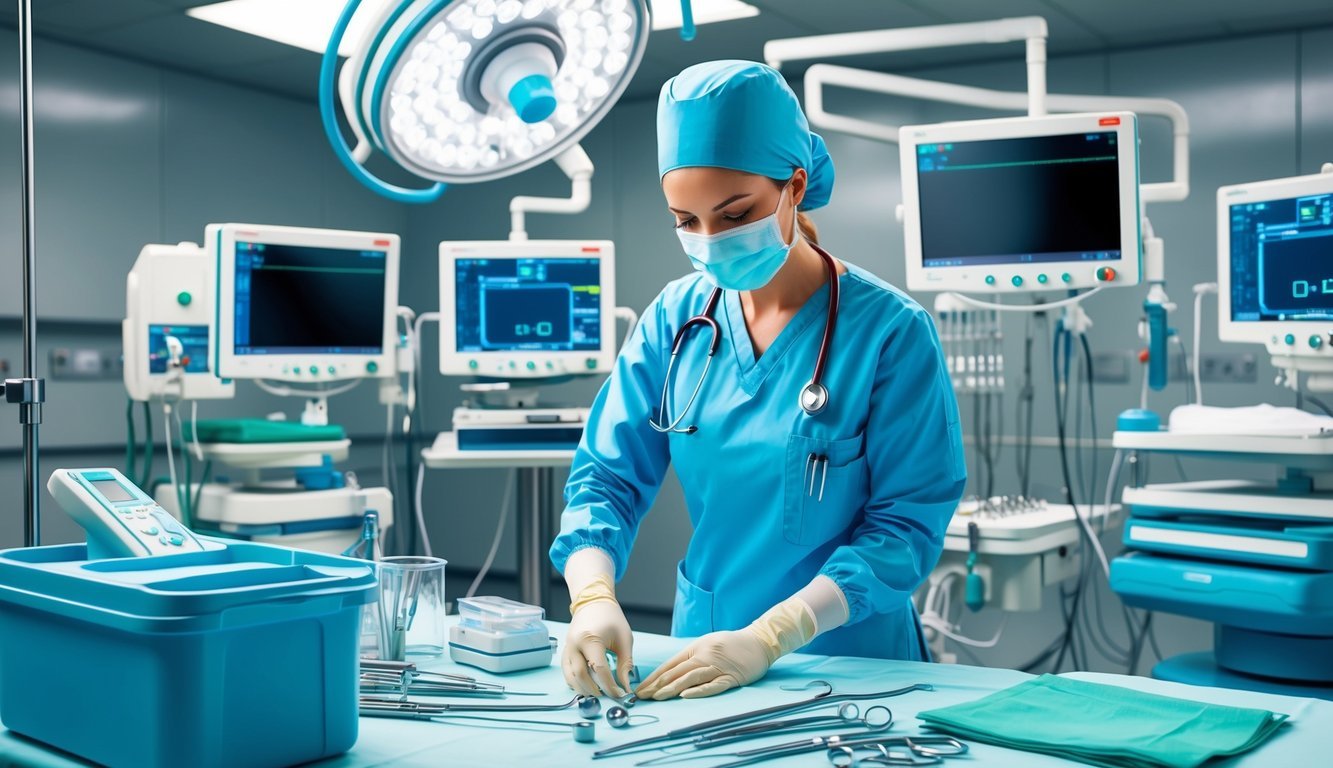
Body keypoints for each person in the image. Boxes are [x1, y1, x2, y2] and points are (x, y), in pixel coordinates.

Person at [549, 60, 966, 702]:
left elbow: (906, 526)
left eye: (734, 213)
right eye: (686, 221)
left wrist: (775, 635)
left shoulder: (889, 331)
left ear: (793, 188)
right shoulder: (675, 319)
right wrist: (591, 594)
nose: (710, 241)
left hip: (850, 662)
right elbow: (606, 476)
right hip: (702, 654)